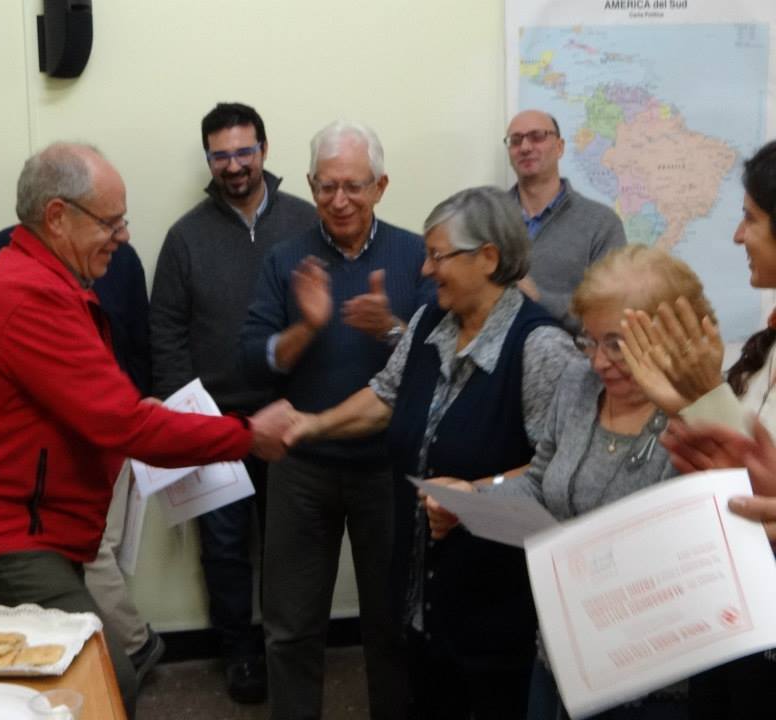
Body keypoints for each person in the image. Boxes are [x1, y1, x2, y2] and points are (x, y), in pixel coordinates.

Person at [0, 142, 294, 718]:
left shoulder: (49, 283)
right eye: (110, 221)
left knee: (67, 688)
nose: (122, 236)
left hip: (30, 530)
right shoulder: (30, 295)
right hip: (5, 536)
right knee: (102, 680)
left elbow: (94, 406)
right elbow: (122, 424)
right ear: (56, 217)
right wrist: (246, 434)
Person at [283, 186, 577, 719]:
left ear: (488, 257)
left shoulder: (541, 347)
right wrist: (309, 424)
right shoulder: (426, 325)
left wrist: (478, 497)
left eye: (438, 256)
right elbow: (385, 397)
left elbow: (560, 472)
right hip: (424, 596)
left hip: (498, 609)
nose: (425, 269)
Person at [423, 244, 714, 719]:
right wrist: (471, 499)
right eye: (590, 341)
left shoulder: (698, 413)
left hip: (650, 676)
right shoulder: (578, 385)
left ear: (663, 332)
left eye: (616, 344)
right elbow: (540, 485)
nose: (599, 362)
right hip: (562, 649)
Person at [239, 120, 435, 719]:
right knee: (291, 626)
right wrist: (308, 326)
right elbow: (254, 358)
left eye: (353, 186)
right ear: (309, 185)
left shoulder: (418, 255)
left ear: (380, 185)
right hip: (303, 468)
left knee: (390, 624)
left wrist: (395, 330)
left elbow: (444, 360)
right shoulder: (286, 259)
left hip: (389, 469)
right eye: (326, 187)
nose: (339, 201)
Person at [150, 102, 317, 703]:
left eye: (244, 151)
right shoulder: (185, 237)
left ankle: (283, 651)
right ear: (209, 160)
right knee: (222, 550)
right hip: (213, 423)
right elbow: (165, 330)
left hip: (288, 420)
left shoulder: (306, 222)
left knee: (287, 547)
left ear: (265, 151)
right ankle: (238, 654)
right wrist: (182, 419)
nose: (235, 165)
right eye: (221, 154)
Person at [618, 138, 776, 720]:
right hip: (744, 615)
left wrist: (702, 394)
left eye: (750, 219)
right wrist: (686, 398)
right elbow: (751, 467)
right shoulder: (769, 344)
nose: (738, 236)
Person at [0, 226, 163, 691]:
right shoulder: (6, 252)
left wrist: (141, 408)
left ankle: (126, 651)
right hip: (46, 437)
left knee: (102, 548)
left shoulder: (123, 257)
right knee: (86, 548)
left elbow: (137, 339)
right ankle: (131, 646)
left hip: (112, 426)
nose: (118, 229)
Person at [505, 109, 626, 332]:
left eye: (537, 136)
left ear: (559, 147)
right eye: (516, 140)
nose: (525, 147)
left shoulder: (601, 224)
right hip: (499, 362)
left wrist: (537, 298)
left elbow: (609, 309)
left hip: (572, 361)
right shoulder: (489, 219)